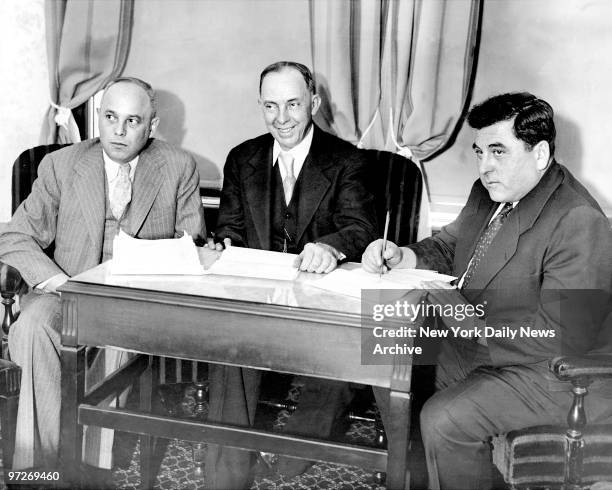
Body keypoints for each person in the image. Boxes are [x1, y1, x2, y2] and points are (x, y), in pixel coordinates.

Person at [362, 92, 612, 490]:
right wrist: (402, 256)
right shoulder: (489, 193)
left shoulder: (578, 220)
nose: (485, 167)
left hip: (557, 374)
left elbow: (565, 336)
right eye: (480, 152)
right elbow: (449, 246)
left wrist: (465, 325)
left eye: (498, 152)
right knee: (385, 351)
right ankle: (414, 480)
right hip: (489, 343)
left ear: (541, 153)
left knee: (445, 419)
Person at [0, 77, 206, 471]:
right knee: (30, 326)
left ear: (152, 125)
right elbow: (13, 237)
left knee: (116, 340)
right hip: (67, 290)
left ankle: (88, 467)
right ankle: (39, 466)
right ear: (99, 117)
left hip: (134, 302)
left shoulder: (178, 167)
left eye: (132, 121)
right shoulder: (62, 165)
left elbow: (190, 245)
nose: (119, 130)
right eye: (111, 117)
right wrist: (61, 283)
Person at [206, 61, 378, 488]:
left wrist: (331, 246)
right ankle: (225, 477)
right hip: (259, 301)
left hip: (321, 304)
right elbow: (229, 226)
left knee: (345, 353)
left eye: (293, 104)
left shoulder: (347, 160)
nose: (281, 118)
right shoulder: (241, 158)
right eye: (270, 106)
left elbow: (360, 227)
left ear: (313, 103)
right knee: (230, 351)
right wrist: (224, 243)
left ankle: (291, 458)